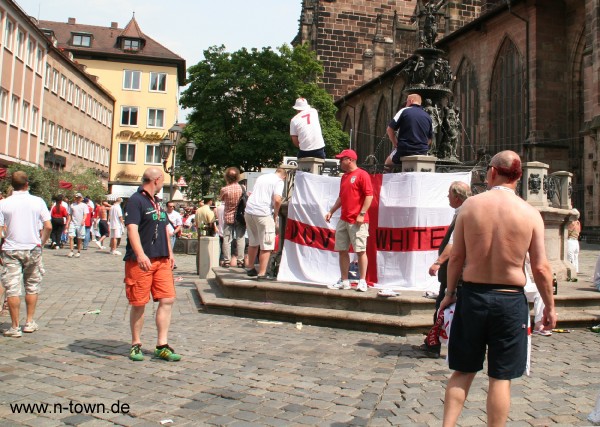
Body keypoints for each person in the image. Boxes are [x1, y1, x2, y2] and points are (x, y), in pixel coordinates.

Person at [438, 150, 557, 427]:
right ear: (519, 177)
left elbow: (455, 257)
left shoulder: (470, 207)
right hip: (510, 300)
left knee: (462, 371)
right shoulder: (530, 213)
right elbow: (540, 268)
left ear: (492, 172)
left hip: (474, 296)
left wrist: (449, 293)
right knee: (501, 377)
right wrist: (549, 307)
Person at [123, 167, 180, 362]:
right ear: (156, 180)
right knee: (139, 303)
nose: (163, 182)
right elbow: (132, 229)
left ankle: (162, 345)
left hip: (162, 259)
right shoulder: (135, 201)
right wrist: (140, 254)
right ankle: (136, 343)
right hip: (141, 261)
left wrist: (170, 253)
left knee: (167, 299)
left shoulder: (157, 202)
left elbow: (164, 227)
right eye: (162, 179)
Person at [414, 181, 471, 357]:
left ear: (456, 196)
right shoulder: (465, 211)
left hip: (455, 273)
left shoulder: (464, 213)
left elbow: (453, 245)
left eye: (449, 193)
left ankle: (434, 344)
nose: (447, 196)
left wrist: (438, 262)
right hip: (462, 272)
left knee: (443, 306)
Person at [0, 171, 52, 337]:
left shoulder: (4, 204)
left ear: (12, 185)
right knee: (32, 286)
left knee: (12, 289)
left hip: (11, 248)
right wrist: (41, 242)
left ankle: (14, 326)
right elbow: (48, 226)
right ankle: (29, 322)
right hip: (32, 247)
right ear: (27, 184)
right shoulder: (37, 201)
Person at [325, 149, 373, 292]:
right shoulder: (345, 177)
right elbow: (341, 197)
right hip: (344, 218)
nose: (340, 162)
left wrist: (362, 213)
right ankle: (345, 281)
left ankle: (362, 281)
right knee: (342, 250)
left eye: (342, 159)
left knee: (360, 251)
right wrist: (331, 211)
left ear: (350, 160)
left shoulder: (362, 175)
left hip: (358, 220)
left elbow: (369, 196)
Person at [244, 168, 286, 280]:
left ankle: (250, 268)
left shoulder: (262, 177)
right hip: (263, 212)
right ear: (284, 177)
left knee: (253, 241)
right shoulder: (279, 181)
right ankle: (262, 273)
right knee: (267, 243)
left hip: (249, 211)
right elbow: (277, 200)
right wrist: (275, 214)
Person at [385, 93, 433, 167]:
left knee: (387, 164)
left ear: (411, 101)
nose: (406, 104)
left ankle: (387, 176)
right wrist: (421, 146)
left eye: (407, 101)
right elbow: (430, 139)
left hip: (405, 149)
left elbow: (389, 129)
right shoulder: (427, 116)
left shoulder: (404, 110)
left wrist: (395, 143)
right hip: (422, 151)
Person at [219, 167, 246, 268]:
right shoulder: (242, 187)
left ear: (227, 177)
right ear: (238, 177)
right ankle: (240, 260)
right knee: (240, 238)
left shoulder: (224, 189)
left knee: (227, 239)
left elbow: (221, 198)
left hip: (228, 216)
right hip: (240, 216)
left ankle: (226, 260)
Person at [67, 193, 87, 258]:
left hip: (80, 223)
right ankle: (71, 251)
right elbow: (70, 214)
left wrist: (83, 220)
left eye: (79, 198)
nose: (77, 199)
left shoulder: (84, 205)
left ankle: (78, 251)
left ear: (81, 198)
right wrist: (68, 223)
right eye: (76, 198)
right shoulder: (72, 205)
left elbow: (85, 214)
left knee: (79, 238)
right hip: (73, 222)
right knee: (71, 236)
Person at [567, 208, 581, 276]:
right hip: (576, 241)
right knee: (575, 257)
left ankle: (571, 272)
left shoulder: (573, 222)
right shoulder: (578, 222)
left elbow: (568, 232)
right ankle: (576, 270)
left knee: (570, 257)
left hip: (571, 241)